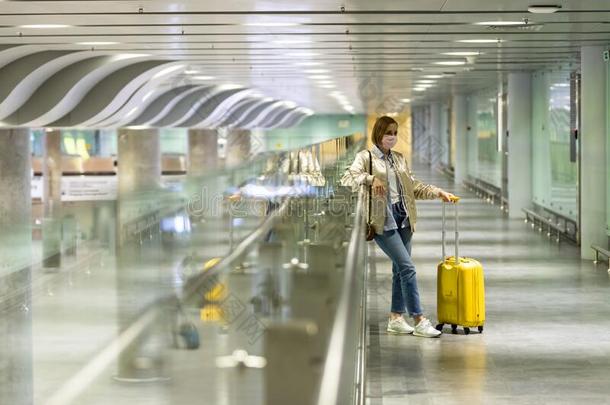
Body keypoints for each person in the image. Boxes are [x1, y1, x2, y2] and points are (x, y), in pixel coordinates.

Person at [341, 116, 457, 338]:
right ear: (378, 134)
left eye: (394, 133)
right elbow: (348, 177)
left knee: (398, 270)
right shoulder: (365, 157)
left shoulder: (399, 159)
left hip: (403, 218)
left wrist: (438, 192)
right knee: (407, 267)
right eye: (387, 133)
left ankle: (396, 317)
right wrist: (370, 179)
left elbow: (414, 186)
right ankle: (419, 319)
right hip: (382, 221)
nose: (392, 137)